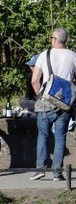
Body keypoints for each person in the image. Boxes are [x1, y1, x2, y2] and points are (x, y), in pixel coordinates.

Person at [30, 28, 76, 181]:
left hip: (46, 101)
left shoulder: (44, 55)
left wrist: (40, 97)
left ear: (54, 39)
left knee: (42, 135)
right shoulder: (73, 56)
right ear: (66, 41)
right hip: (64, 103)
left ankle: (40, 169)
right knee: (60, 137)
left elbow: (35, 80)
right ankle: (57, 173)